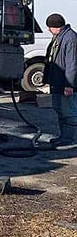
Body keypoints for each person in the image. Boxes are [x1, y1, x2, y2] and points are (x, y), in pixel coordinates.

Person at [43, 13, 77, 147]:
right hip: (57, 83)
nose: (48, 30)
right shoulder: (59, 38)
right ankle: (63, 136)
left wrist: (69, 85)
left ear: (56, 27)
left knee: (68, 111)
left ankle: (69, 139)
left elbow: (72, 64)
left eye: (50, 27)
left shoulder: (70, 39)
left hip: (65, 84)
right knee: (60, 109)